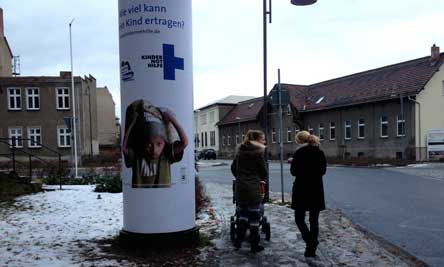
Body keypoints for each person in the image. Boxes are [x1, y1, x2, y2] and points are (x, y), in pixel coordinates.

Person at [123, 99, 188, 188]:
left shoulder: (167, 154)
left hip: (162, 197)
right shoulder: (137, 154)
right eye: (149, 145)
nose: (154, 150)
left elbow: (184, 143)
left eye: (159, 144)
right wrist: (132, 122)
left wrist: (171, 119)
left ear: (164, 143)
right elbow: (124, 148)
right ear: (143, 143)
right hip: (141, 197)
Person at [290, 130, 327, 258]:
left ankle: (311, 242)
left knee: (299, 219)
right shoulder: (319, 152)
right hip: (316, 190)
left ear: (300, 141)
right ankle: (311, 249)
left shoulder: (299, 153)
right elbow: (323, 171)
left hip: (301, 190)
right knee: (314, 221)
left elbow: (293, 172)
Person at [231, 130, 268, 253]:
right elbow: (263, 172)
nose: (264, 141)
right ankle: (254, 245)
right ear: (257, 140)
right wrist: (259, 178)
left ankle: (238, 241)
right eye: (262, 139)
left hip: (240, 188)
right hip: (253, 189)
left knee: (242, 215)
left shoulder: (239, 152)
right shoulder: (258, 153)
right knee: (254, 217)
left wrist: (240, 177)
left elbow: (233, 168)